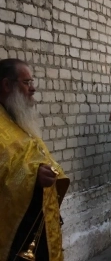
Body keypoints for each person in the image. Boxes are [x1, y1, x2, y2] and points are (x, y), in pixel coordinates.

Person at [0, 59, 69, 261]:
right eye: (27, 82)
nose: (33, 88)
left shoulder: (18, 118)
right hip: (14, 235)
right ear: (6, 85)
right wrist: (33, 176)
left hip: (39, 225)